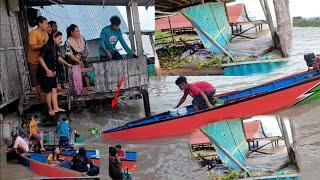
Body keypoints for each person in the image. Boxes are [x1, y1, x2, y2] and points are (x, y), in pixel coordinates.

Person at [38, 31, 67, 116]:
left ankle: (56, 107)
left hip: (53, 71)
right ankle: (50, 109)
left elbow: (58, 58)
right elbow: (40, 58)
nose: (61, 41)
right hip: (45, 72)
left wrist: (67, 64)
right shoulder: (47, 46)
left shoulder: (55, 47)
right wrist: (47, 70)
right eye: (59, 39)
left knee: (54, 89)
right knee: (49, 92)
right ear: (54, 38)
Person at [27, 16, 49, 101]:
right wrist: (43, 45)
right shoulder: (34, 32)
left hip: (43, 59)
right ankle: (40, 95)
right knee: (36, 78)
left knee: (44, 76)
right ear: (40, 24)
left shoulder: (45, 33)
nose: (47, 25)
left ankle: (46, 93)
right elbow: (32, 46)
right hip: (34, 60)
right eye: (45, 23)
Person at [65, 24, 92, 89]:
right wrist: (78, 61)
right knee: (76, 77)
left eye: (79, 31)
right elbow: (70, 55)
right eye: (77, 31)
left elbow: (86, 49)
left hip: (83, 59)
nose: (79, 32)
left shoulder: (82, 37)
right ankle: (78, 88)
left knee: (86, 71)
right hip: (73, 61)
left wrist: (83, 58)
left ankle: (88, 85)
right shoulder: (68, 42)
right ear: (72, 32)